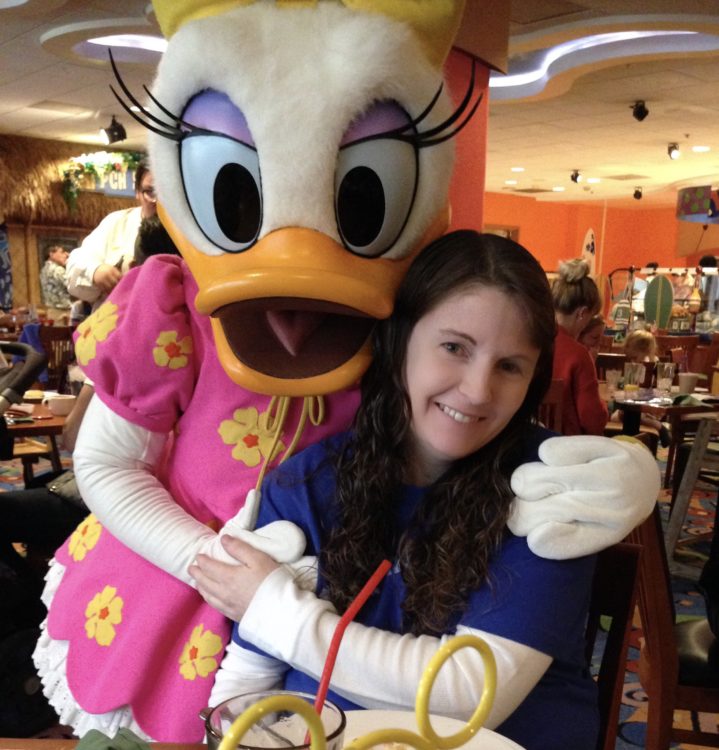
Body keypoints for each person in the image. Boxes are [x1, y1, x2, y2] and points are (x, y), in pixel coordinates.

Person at [191, 231, 619, 750]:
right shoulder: (308, 481)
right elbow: (248, 681)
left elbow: (470, 692)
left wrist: (276, 611)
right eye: (454, 347)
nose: (478, 390)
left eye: (510, 366)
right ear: (399, 344)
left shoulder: (551, 488)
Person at [65, 161, 156, 308]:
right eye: (150, 192)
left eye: (168, 192)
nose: (158, 201)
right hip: (115, 325)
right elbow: (75, 266)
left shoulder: (193, 232)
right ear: (137, 193)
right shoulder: (117, 223)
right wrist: (95, 271)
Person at [552, 259, 608, 436]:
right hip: (567, 451)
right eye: (590, 317)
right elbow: (593, 421)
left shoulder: (529, 341)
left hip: (524, 448)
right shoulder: (577, 355)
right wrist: (604, 405)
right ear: (582, 313)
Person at [40, 246, 71, 318]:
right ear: (51, 254)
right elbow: (73, 286)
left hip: (51, 311)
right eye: (62, 252)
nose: (66, 255)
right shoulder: (57, 269)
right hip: (62, 312)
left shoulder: (44, 269)